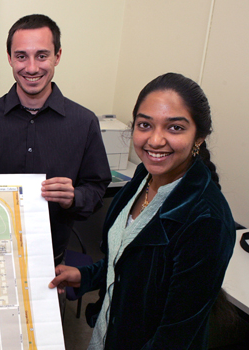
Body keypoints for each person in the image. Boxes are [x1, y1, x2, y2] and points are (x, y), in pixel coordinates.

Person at [48, 73, 236, 349]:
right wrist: (85, 275)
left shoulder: (206, 220)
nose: (156, 140)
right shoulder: (142, 177)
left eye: (175, 128)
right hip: (109, 334)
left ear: (199, 137)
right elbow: (129, 261)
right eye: (145, 125)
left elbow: (175, 337)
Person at [0, 14, 111, 264]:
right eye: (21, 56)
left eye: (41, 55)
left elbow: (96, 189)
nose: (31, 67)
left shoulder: (84, 122)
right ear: (9, 58)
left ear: (57, 56)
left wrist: (74, 198)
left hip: (51, 262)